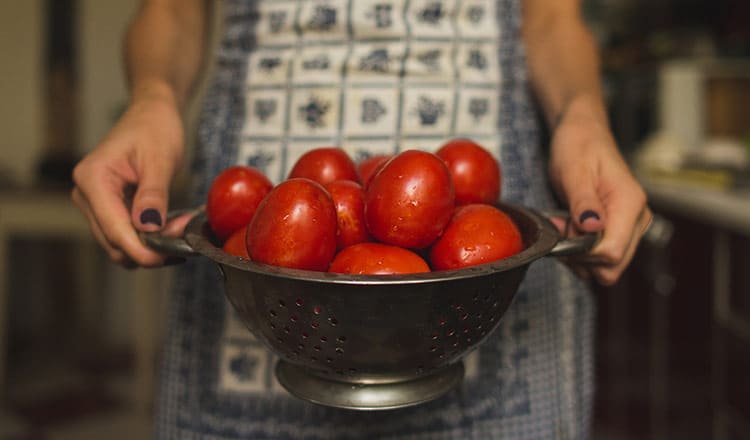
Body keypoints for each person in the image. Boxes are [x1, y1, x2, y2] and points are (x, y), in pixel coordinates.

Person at [72, 0, 652, 438]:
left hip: (480, 253)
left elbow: (553, 19)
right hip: (262, 251)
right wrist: (151, 99)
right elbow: (171, 9)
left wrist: (584, 118)